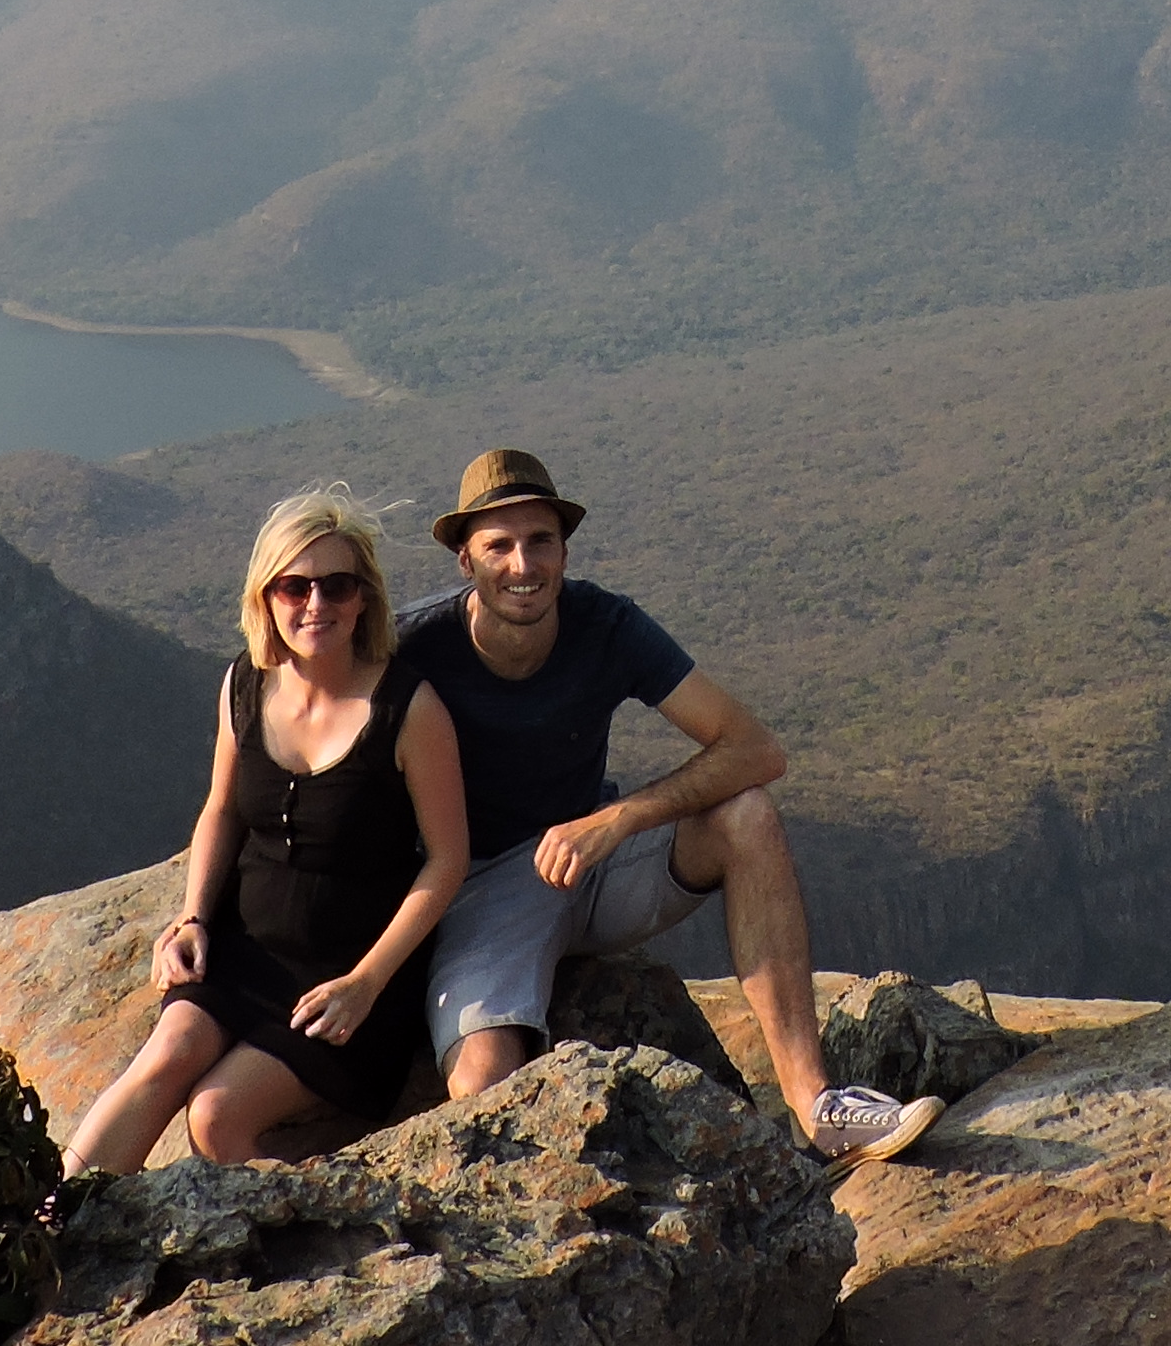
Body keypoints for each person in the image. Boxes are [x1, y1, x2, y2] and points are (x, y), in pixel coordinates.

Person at [396, 446, 943, 1166]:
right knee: (482, 1085)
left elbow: (754, 750)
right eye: (499, 545)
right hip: (483, 886)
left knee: (746, 815)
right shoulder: (414, 646)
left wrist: (620, 818)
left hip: (595, 863)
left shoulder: (605, 627)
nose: (523, 566)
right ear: (464, 560)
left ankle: (817, 1108)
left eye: (541, 542)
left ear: (564, 550)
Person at [61, 485, 468, 1174]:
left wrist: (365, 984)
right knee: (166, 1057)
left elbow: (448, 861)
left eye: (337, 586)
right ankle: (45, 1227)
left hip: (346, 974)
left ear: (364, 597)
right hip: (243, 949)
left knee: (215, 1117)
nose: (316, 605)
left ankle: (314, 1229)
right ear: (266, 598)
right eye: (294, 586)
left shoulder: (409, 709)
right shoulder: (245, 686)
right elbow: (220, 808)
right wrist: (191, 918)